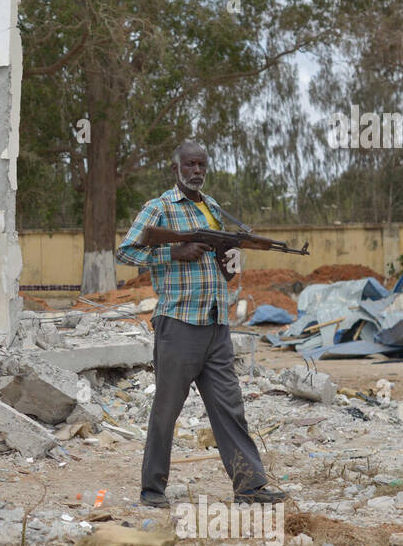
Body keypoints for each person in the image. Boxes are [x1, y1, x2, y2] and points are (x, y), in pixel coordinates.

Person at [116, 140, 287, 508]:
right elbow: (126, 251)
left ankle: (250, 486)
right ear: (175, 168)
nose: (197, 171)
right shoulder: (159, 208)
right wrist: (172, 252)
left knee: (230, 409)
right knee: (166, 410)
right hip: (178, 325)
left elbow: (223, 269)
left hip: (215, 325)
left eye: (202, 165)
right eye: (190, 164)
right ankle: (152, 490)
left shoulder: (212, 208)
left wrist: (229, 263)